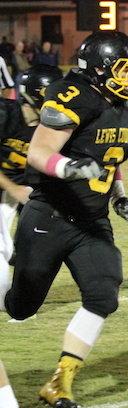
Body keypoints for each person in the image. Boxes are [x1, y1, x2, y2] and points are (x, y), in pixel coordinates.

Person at [1, 30, 128, 408]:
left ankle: (60, 382)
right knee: (21, 308)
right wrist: (70, 167)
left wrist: (120, 198)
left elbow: (111, 158)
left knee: (103, 293)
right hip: (49, 215)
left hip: (92, 220)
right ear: (99, 69)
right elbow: (38, 152)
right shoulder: (73, 96)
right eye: (125, 69)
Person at [0, 65, 63, 309]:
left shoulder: (53, 124)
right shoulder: (5, 115)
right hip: (7, 184)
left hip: (23, 185)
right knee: (2, 245)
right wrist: (14, 189)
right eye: (54, 93)